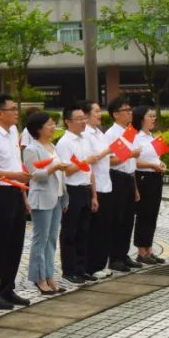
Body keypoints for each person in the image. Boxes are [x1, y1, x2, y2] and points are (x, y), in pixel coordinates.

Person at [0, 94, 32, 310]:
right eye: (12, 109)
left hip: (16, 192)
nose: (16, 112)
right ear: (0, 113)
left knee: (15, 242)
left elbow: (17, 165)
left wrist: (23, 196)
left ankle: (7, 288)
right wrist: (12, 176)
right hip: (1, 192)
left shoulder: (12, 133)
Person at [23, 112, 68, 295]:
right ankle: (39, 277)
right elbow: (34, 175)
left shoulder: (52, 146)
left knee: (51, 239)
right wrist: (54, 167)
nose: (53, 127)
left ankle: (50, 275)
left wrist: (64, 196)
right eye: (49, 124)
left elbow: (60, 175)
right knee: (40, 239)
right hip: (42, 199)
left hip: (57, 197)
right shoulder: (31, 149)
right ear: (38, 128)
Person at [55, 104, 96, 284]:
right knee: (70, 232)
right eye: (78, 119)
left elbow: (90, 170)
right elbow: (67, 170)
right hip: (72, 190)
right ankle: (69, 270)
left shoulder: (84, 139)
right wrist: (85, 161)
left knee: (84, 231)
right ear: (68, 121)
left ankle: (81, 268)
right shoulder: (65, 143)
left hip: (85, 188)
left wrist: (94, 195)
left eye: (84, 118)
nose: (83, 122)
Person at [104, 96, 142, 273]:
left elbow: (131, 161)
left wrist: (135, 187)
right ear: (115, 114)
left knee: (128, 219)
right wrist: (130, 154)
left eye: (130, 109)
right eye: (126, 110)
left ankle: (123, 253)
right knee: (117, 219)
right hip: (116, 178)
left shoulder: (130, 131)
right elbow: (110, 161)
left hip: (129, 177)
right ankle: (114, 257)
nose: (130, 113)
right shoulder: (111, 134)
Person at [83, 102, 115, 279]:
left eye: (99, 111)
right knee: (95, 228)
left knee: (105, 227)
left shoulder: (100, 133)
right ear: (86, 115)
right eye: (95, 111)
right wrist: (107, 151)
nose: (99, 114)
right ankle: (92, 266)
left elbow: (109, 156)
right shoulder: (86, 135)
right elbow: (90, 159)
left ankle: (102, 263)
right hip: (95, 185)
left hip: (106, 184)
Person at [132, 106, 167, 265]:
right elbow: (133, 161)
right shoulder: (136, 137)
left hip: (156, 177)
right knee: (144, 214)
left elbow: (156, 158)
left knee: (153, 214)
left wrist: (160, 164)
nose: (154, 119)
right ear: (141, 119)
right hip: (143, 178)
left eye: (154, 116)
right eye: (150, 116)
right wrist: (151, 165)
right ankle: (141, 252)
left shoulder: (152, 136)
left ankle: (149, 249)